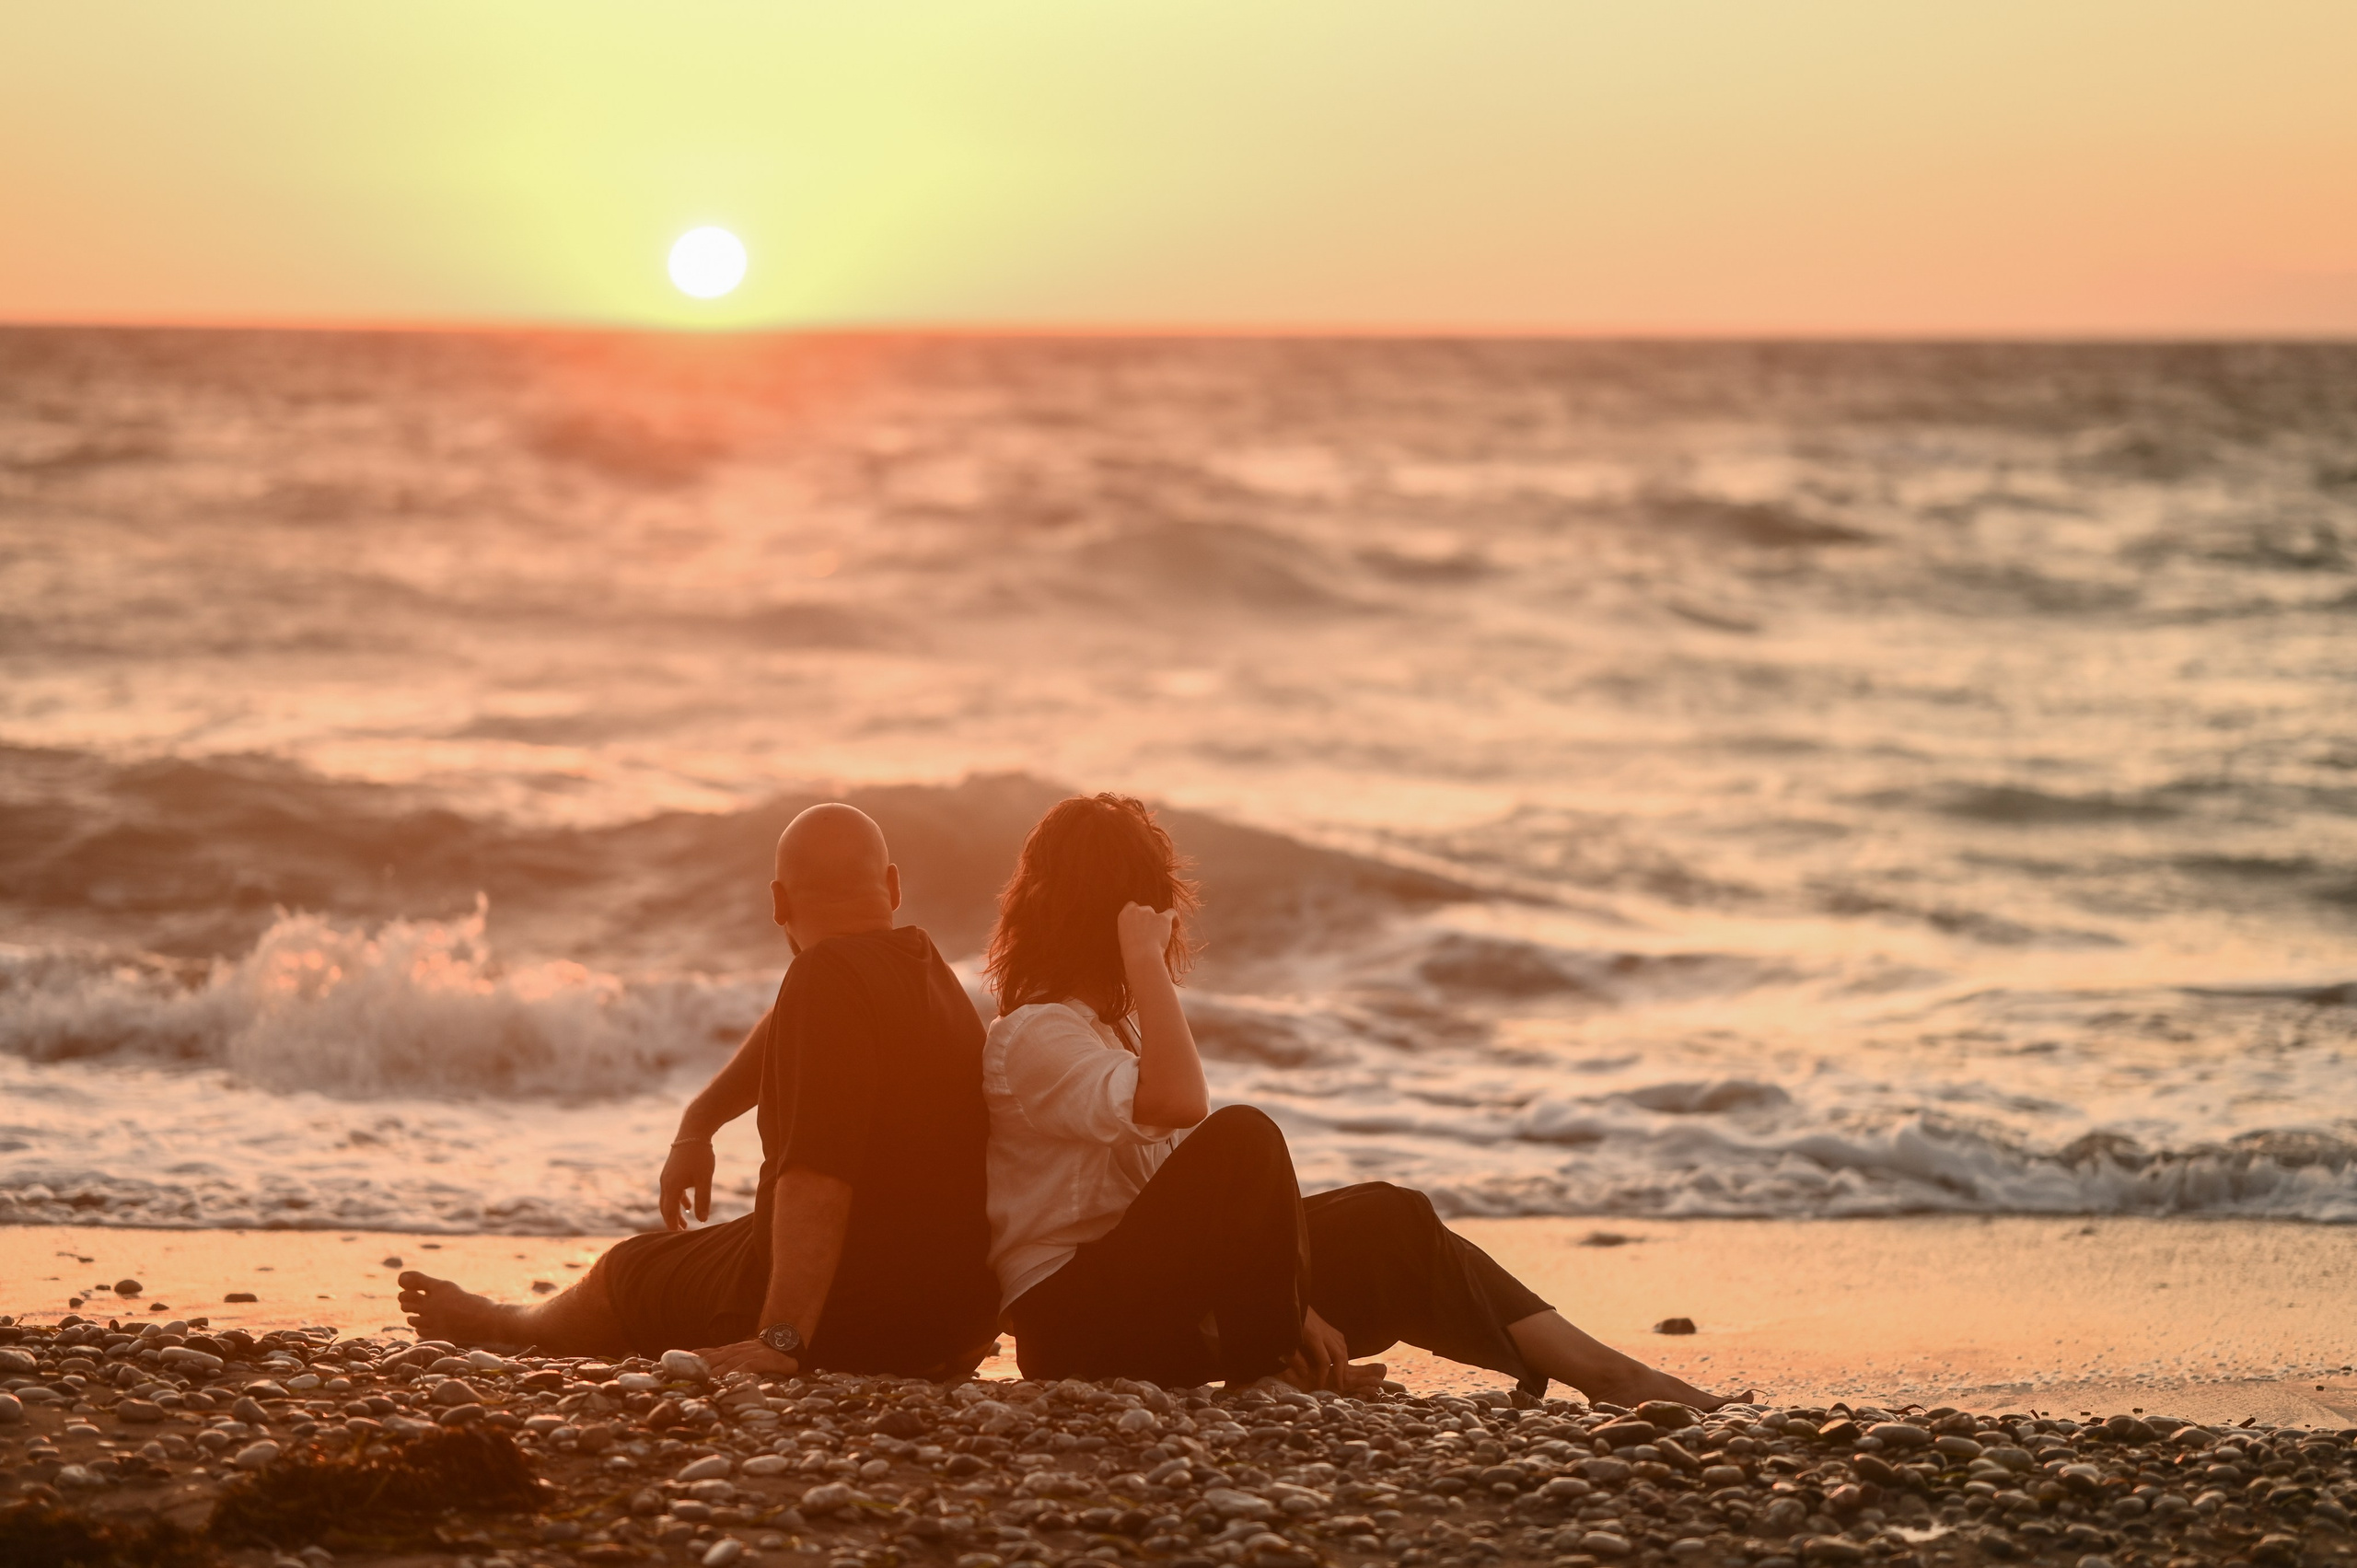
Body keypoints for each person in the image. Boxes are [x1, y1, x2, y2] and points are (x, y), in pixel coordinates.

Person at [981, 792, 1745, 1406]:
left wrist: (1290, 1297)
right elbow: (1185, 1107)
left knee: (1390, 1216)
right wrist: (1146, 960)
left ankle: (1607, 1374)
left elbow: (1181, 1205)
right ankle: (1270, 1373)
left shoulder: (1110, 1033)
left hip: (1155, 1305)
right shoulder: (1037, 1034)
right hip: (1078, 1324)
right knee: (1244, 1137)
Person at [397, 803, 999, 1379]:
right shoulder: (926, 968)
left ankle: (504, 1322)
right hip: (952, 1327)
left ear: (778, 901)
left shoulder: (822, 980)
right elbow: (796, 1023)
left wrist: (782, 1338)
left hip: (860, 1325)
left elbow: (818, 1174)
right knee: (740, 1234)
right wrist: (702, 1118)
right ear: (892, 886)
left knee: (625, 1271)